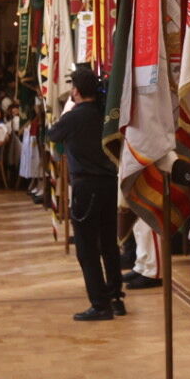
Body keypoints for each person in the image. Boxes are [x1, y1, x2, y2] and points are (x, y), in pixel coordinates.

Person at [45, 66, 123, 321]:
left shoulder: (73, 116)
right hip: (109, 183)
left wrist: (68, 110)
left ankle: (100, 304)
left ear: (76, 91)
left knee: (87, 248)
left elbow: (52, 134)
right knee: (109, 243)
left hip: (86, 186)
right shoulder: (104, 112)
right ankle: (115, 297)